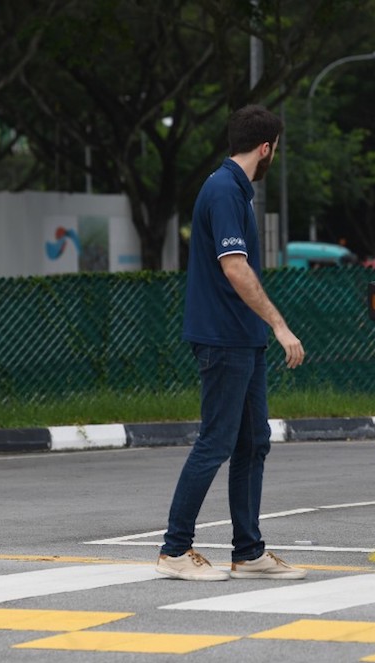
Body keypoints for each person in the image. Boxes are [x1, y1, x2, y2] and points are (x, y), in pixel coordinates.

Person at [156, 105, 307, 582]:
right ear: (266, 148)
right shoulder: (224, 191)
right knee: (216, 442)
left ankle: (248, 551)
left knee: (253, 443)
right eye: (276, 149)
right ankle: (175, 550)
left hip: (243, 339)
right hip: (223, 339)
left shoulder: (236, 191)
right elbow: (235, 267)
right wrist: (281, 326)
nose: (275, 156)